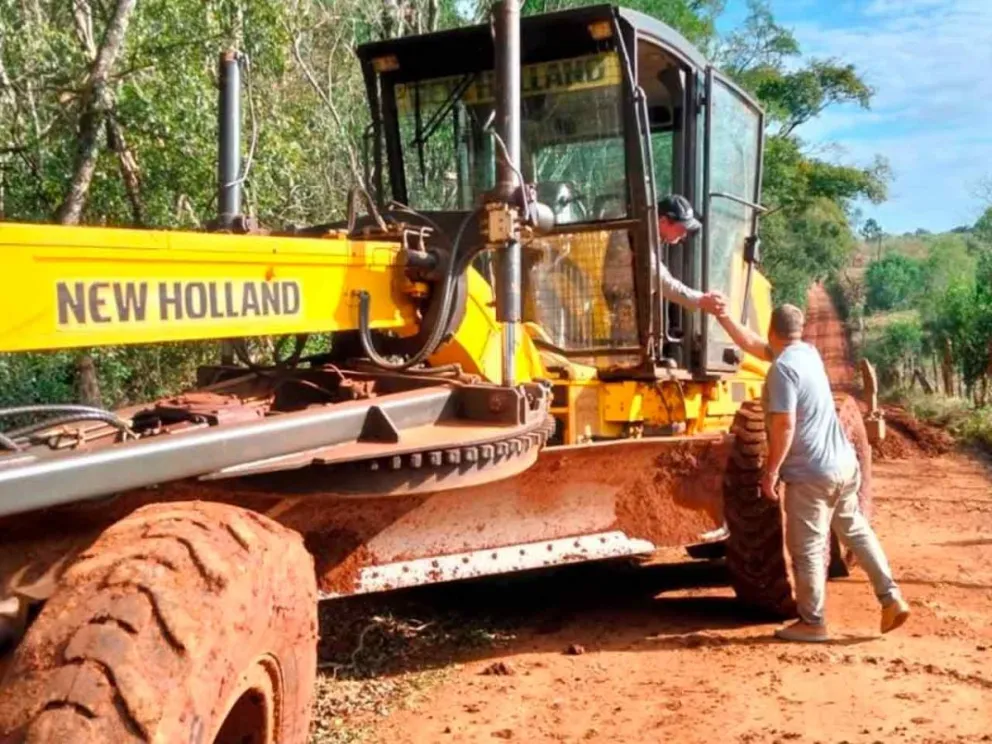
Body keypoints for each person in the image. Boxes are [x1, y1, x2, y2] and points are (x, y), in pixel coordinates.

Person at [716, 302, 910, 642]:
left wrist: (771, 471)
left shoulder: (782, 370)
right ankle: (891, 598)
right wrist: (723, 316)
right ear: (800, 331)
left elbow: (785, 425)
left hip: (812, 474)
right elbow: (753, 345)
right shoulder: (807, 354)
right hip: (844, 465)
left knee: (807, 547)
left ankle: (813, 622)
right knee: (856, 530)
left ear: (771, 330)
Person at [602, 194, 725, 344]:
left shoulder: (647, 232)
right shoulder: (637, 234)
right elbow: (660, 279)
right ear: (663, 221)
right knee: (628, 347)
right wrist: (700, 299)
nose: (684, 234)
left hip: (630, 305)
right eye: (681, 228)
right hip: (625, 309)